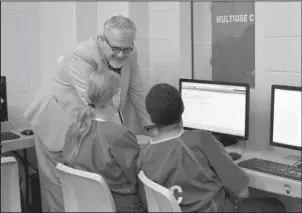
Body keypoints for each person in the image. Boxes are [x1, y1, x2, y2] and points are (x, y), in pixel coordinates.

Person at [24, 15, 154, 212]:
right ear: (102, 40)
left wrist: (153, 128)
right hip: (56, 120)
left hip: (82, 126)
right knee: (61, 191)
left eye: (127, 48)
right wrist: (122, 138)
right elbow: (97, 102)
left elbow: (137, 90)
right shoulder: (82, 55)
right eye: (116, 48)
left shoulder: (130, 54)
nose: (121, 55)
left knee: (87, 190)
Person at [138, 83, 286, 212]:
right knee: (274, 206)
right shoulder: (200, 140)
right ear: (183, 109)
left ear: (151, 117)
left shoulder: (143, 155)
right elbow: (242, 192)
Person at [62, 71, 146, 212]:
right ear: (115, 99)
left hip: (87, 206)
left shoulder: (74, 130)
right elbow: (139, 179)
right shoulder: (120, 135)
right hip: (123, 207)